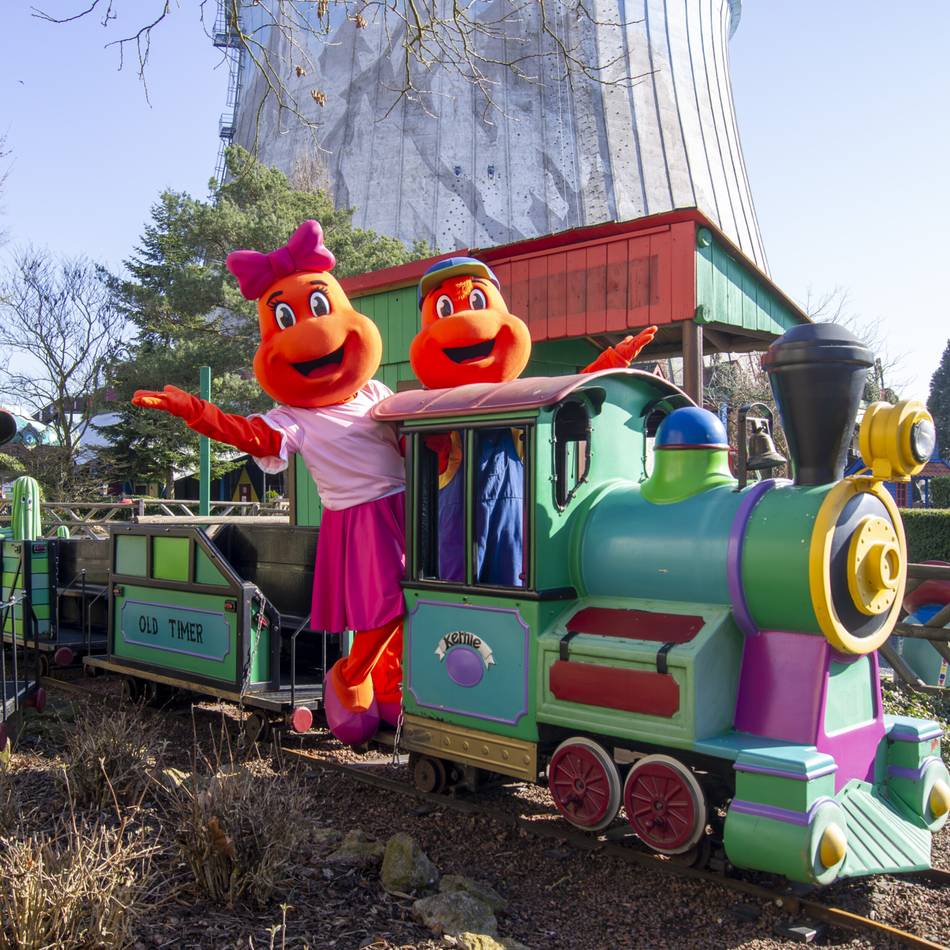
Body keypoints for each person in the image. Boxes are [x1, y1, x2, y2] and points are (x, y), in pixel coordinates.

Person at [133, 220, 404, 744]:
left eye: (319, 307)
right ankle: (350, 675)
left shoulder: (376, 391)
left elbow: (409, 437)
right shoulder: (293, 418)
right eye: (285, 319)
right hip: (360, 519)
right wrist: (193, 410)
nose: (311, 334)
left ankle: (389, 688)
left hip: (405, 508)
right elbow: (247, 434)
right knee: (387, 607)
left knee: (411, 608)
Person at [409, 256, 657, 587]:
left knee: (511, 586)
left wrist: (613, 360)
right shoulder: (434, 409)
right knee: (457, 590)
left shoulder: (520, 400)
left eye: (478, 302)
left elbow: (567, 394)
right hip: (456, 531)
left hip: (511, 526)